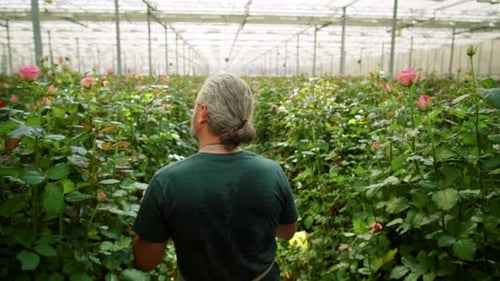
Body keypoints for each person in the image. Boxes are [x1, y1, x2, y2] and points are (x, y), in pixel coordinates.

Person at [132, 73, 299, 281]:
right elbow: (286, 232)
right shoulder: (272, 173)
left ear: (202, 113)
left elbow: (146, 261)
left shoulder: (167, 181)